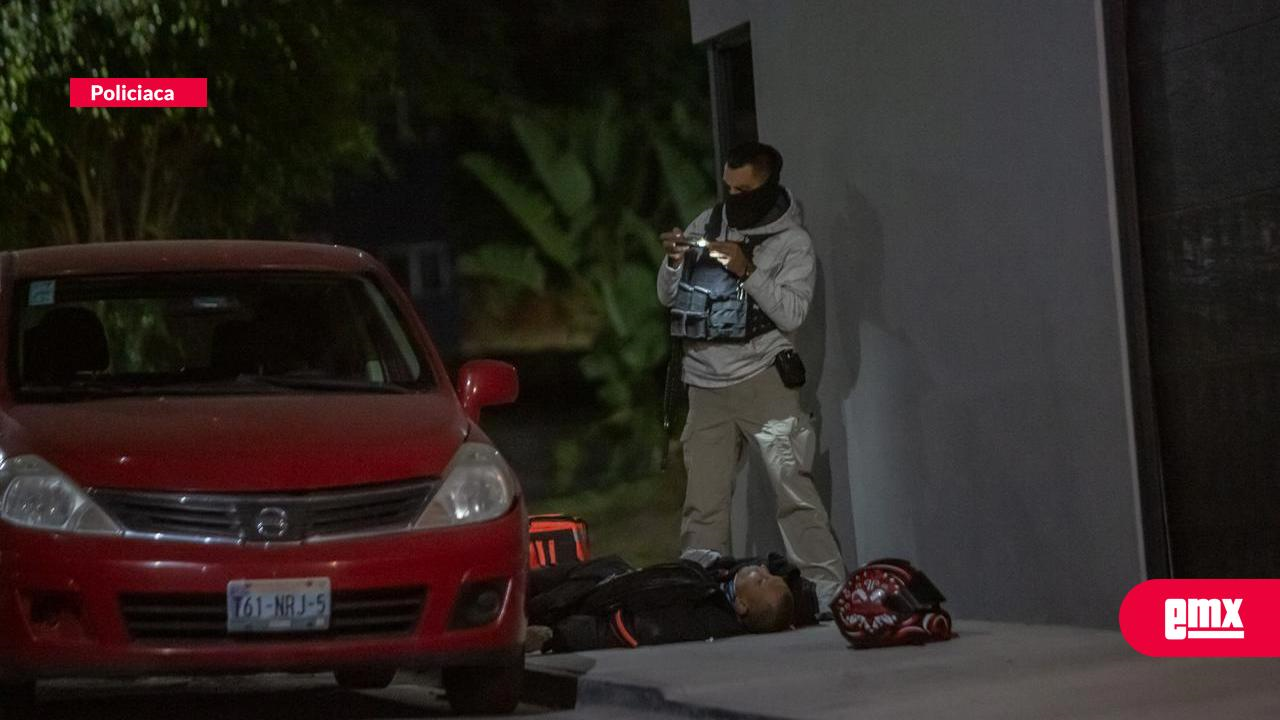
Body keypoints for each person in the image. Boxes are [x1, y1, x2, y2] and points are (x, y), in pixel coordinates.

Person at [657, 141, 846, 608]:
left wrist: (747, 269)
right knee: (704, 505)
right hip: (704, 384)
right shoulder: (709, 222)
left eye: (745, 189)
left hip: (764, 380)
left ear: (768, 185)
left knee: (794, 494)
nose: (733, 197)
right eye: (728, 187)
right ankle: (701, 600)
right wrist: (676, 260)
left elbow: (794, 313)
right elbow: (667, 297)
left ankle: (827, 595)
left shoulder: (792, 243)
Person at [525, 551, 812, 653]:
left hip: (583, 604)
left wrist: (556, 636)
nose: (761, 570)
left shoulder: (704, 618)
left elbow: (627, 630)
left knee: (518, 599)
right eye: (766, 574)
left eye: (761, 580)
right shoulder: (724, 583)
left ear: (742, 606)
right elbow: (776, 566)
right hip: (609, 577)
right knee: (519, 578)